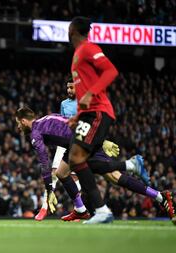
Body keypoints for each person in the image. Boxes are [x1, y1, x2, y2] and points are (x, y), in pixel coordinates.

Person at [15, 107, 175, 224]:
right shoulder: (47, 118)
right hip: (75, 142)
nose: (18, 128)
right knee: (62, 173)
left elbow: (44, 163)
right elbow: (68, 123)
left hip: (81, 143)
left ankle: (160, 196)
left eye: (18, 123)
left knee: (114, 177)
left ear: (23, 121)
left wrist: (49, 190)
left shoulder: (35, 133)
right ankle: (80, 210)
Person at [67, 16, 119, 224]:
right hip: (88, 113)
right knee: (79, 160)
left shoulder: (88, 48)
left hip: (98, 111)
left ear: (73, 30)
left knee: (76, 158)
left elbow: (111, 71)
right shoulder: (77, 55)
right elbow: (83, 89)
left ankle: (102, 210)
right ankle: (102, 209)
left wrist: (91, 93)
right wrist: (77, 115)